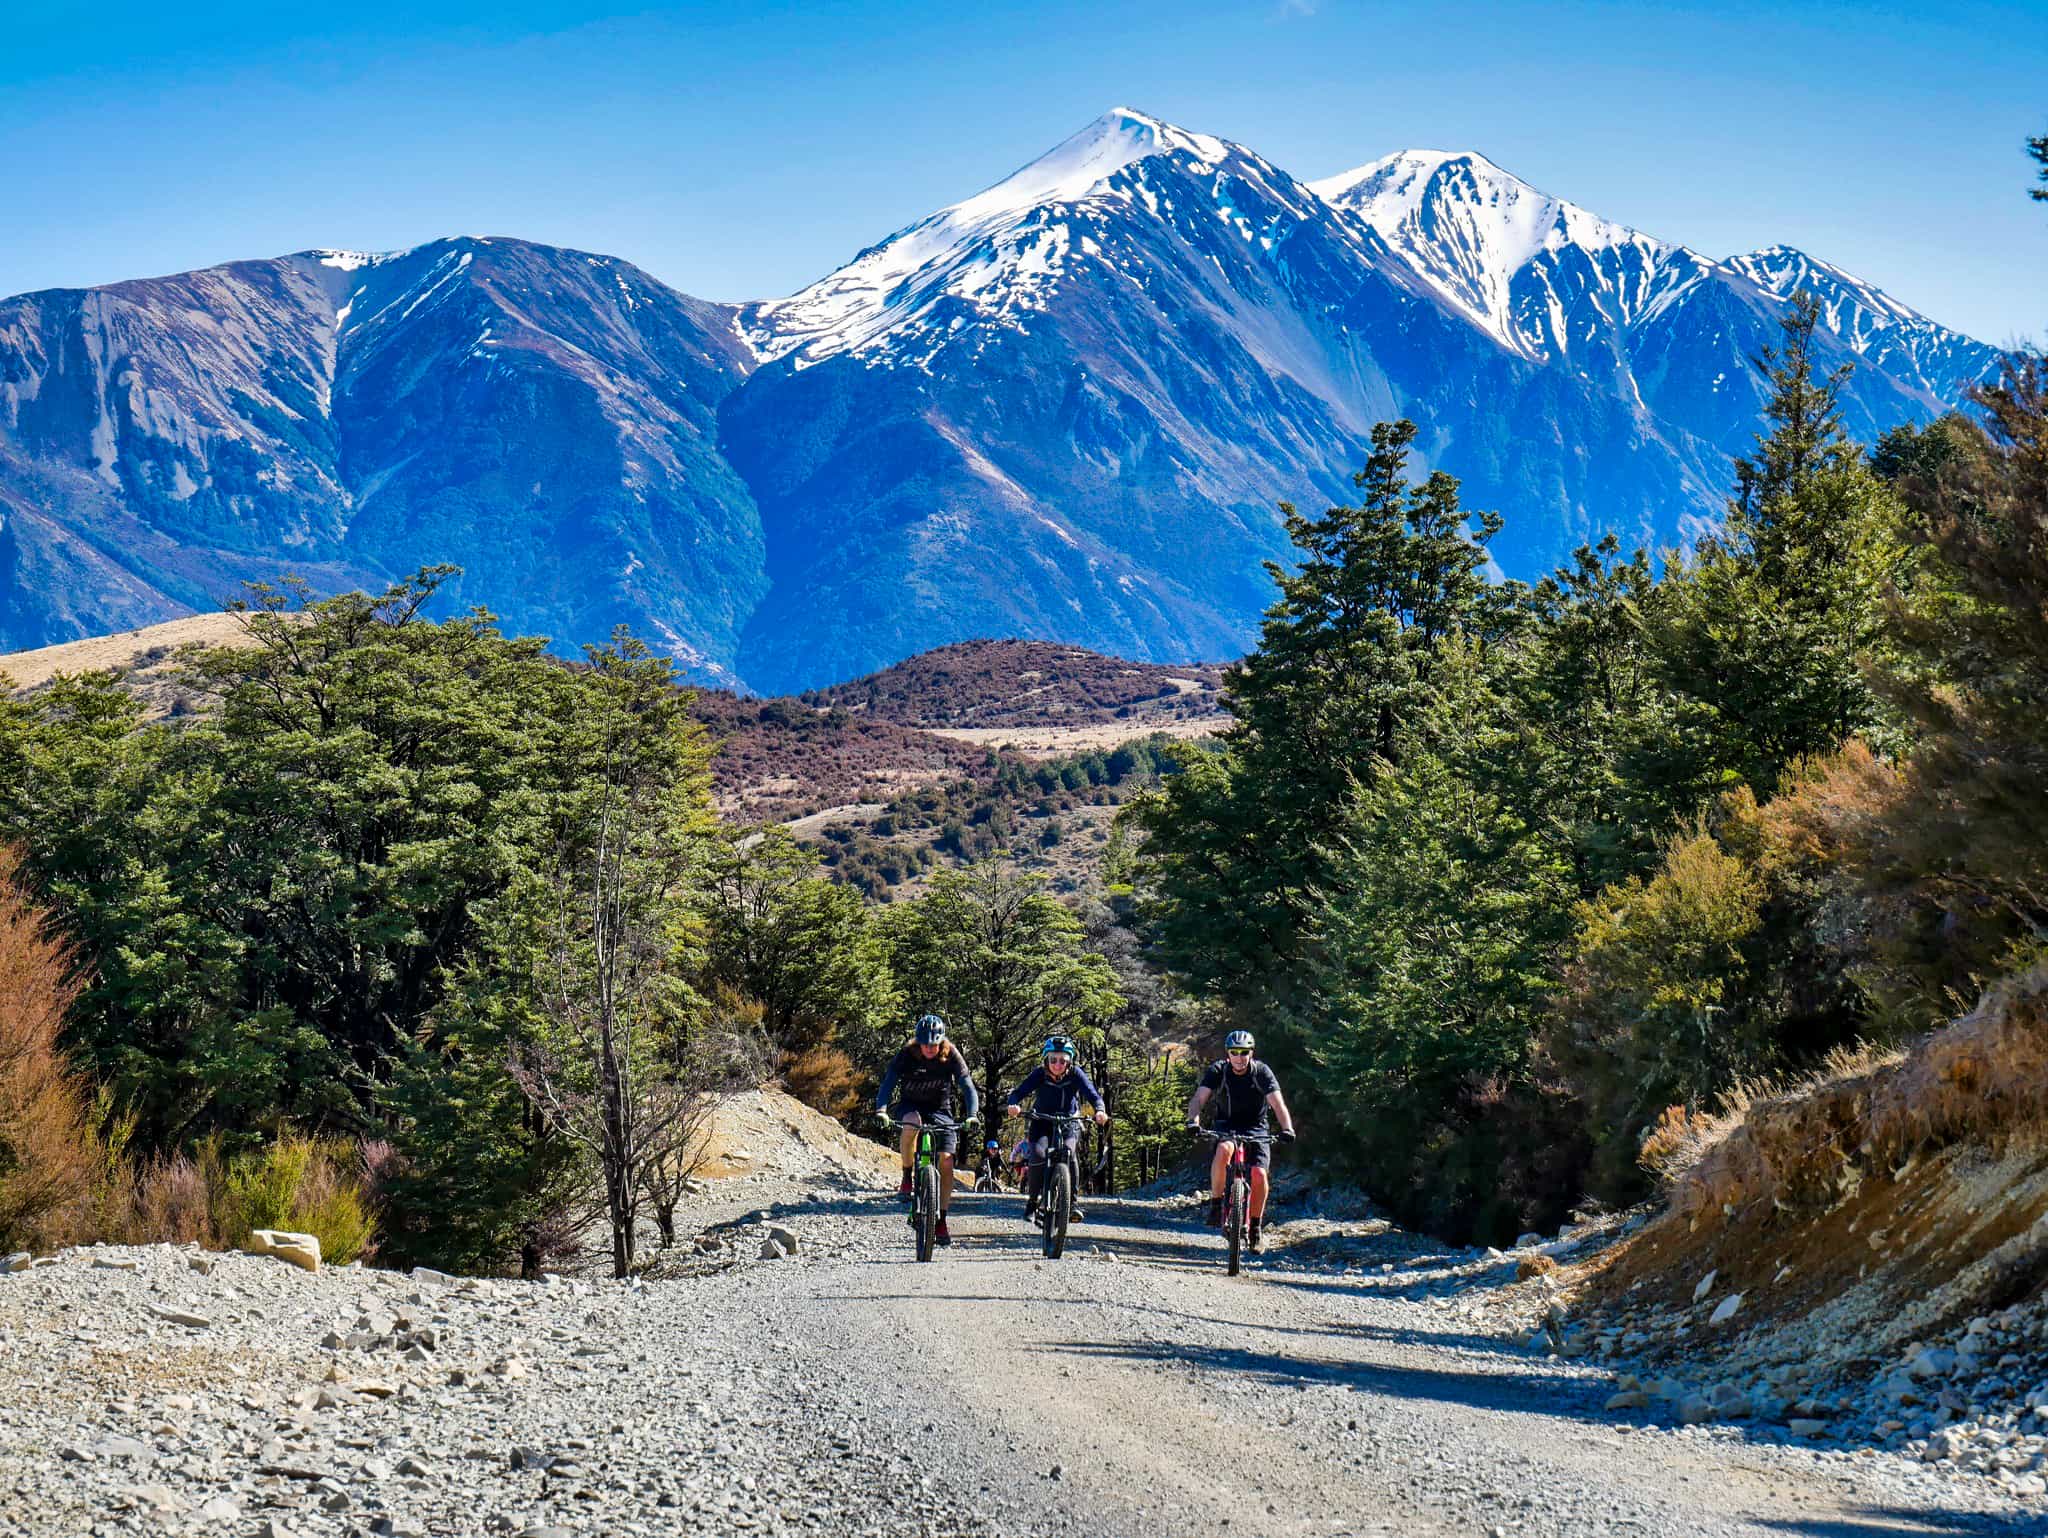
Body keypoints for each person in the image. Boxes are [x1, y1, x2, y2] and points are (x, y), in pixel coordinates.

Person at [873, 1013, 979, 1247]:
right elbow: (888, 1082)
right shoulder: (906, 1055)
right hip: (911, 1106)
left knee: (947, 1161)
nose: (929, 1049)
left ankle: (941, 1219)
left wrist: (972, 1115)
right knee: (911, 1123)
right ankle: (906, 1176)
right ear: (917, 1041)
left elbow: (967, 1086)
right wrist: (881, 1110)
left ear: (941, 1041)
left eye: (934, 1044)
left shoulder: (951, 1054)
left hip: (941, 1110)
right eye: (925, 1044)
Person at [1185, 1029, 1296, 1252]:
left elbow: (1277, 1104)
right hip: (1227, 1124)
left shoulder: (1261, 1072)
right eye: (1234, 1052)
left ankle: (1255, 1227)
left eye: (1244, 1052)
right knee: (1224, 1149)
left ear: (1251, 1053)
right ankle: (1216, 1204)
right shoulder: (1219, 1070)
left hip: (1257, 1128)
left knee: (1259, 1174)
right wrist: (1192, 1121)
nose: (1239, 1057)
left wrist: (1287, 1128)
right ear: (1228, 1054)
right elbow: (1199, 1098)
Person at [1003, 1035, 1108, 1222]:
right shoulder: (1039, 1074)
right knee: (1038, 1155)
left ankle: (1072, 1203)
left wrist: (1100, 1110)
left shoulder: (1076, 1074)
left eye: (1062, 1060)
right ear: (1046, 1059)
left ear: (1069, 1061)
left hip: (1069, 1121)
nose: (1057, 1064)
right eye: (1053, 1060)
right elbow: (1019, 1092)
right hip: (1042, 1121)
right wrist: (1013, 1105)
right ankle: (1033, 1202)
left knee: (1069, 1152)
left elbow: (1092, 1094)